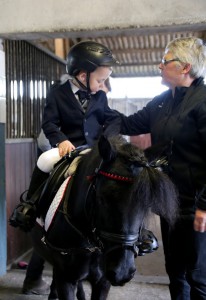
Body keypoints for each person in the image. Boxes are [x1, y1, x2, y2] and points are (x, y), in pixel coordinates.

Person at [109, 37, 206, 299]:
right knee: (174, 270)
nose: (159, 66)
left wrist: (204, 208)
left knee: (199, 275)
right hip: (169, 202)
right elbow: (128, 124)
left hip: (197, 205)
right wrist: (96, 101)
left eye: (165, 61)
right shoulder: (161, 101)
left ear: (185, 67)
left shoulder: (202, 101)